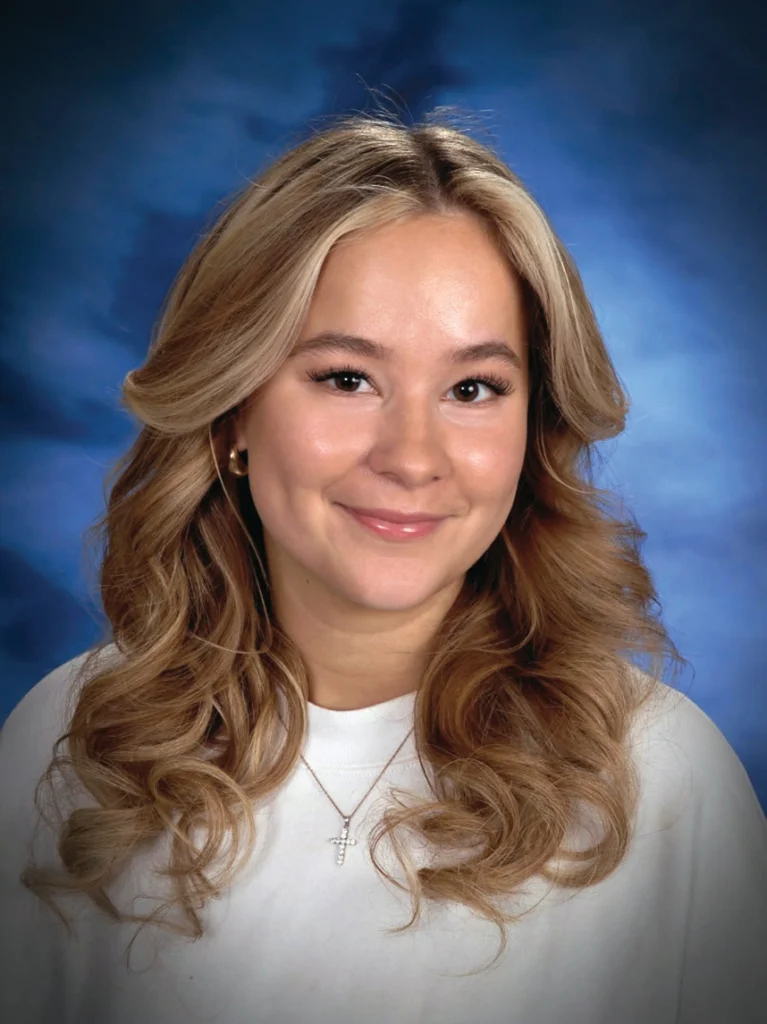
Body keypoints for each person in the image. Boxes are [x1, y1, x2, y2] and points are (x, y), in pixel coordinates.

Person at [1, 108, 765, 1024]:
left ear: (533, 429)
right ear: (233, 411)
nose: (412, 456)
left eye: (473, 388)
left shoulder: (661, 778)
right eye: (346, 378)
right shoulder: (67, 745)